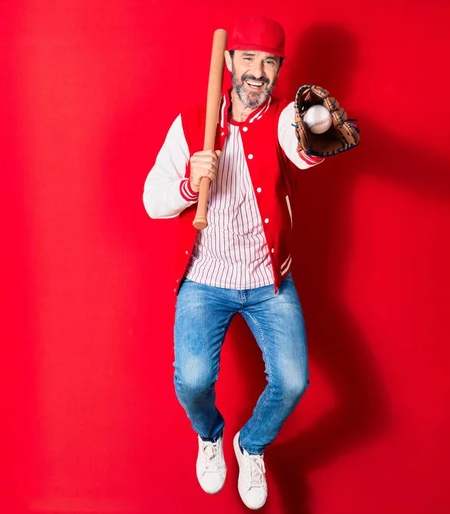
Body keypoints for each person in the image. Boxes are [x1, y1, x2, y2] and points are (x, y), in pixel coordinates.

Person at [143, 15, 359, 510]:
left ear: (279, 67)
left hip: (268, 281)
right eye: (248, 59)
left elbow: (302, 153)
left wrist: (313, 130)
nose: (258, 72)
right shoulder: (191, 122)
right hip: (205, 279)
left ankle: (251, 445)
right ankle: (211, 435)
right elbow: (152, 201)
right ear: (228, 62)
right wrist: (188, 181)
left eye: (269, 61)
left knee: (294, 382)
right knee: (193, 381)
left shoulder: (284, 118)